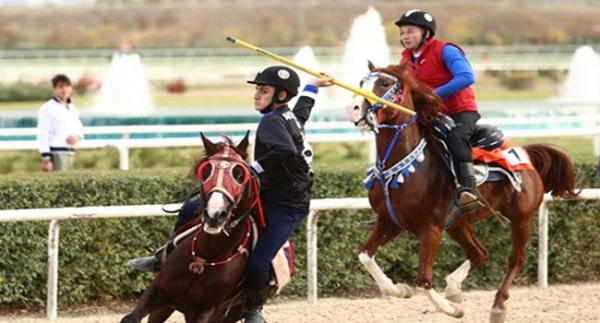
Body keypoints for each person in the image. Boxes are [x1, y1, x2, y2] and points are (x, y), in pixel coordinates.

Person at [128, 66, 334, 323]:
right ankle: (163, 257)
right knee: (192, 208)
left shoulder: (272, 121)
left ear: (280, 96)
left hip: (287, 206)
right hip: (267, 192)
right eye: (257, 89)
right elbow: (303, 111)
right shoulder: (286, 116)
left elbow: (286, 150)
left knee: (259, 262)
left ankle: (253, 308)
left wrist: (251, 169)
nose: (256, 95)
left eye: (263, 90)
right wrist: (312, 87)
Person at [361, 10, 481, 228]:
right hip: (431, 113)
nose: (405, 36)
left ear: (426, 33)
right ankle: (389, 207)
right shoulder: (406, 58)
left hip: (460, 111)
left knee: (455, 136)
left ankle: (468, 188)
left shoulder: (447, 50)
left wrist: (433, 95)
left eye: (410, 31)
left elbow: (467, 76)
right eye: (402, 32)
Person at [37, 74, 84, 172]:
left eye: (67, 86)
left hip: (70, 152)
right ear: (54, 89)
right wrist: (46, 157)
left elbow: (79, 127)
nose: (64, 90)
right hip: (56, 152)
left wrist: (77, 137)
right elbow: (43, 132)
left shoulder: (72, 108)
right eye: (61, 87)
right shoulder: (47, 108)